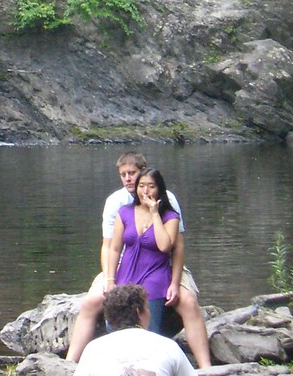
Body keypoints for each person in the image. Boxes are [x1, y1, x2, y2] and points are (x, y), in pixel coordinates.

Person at [66, 152, 211, 368]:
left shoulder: (168, 202)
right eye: (123, 174)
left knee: (188, 302)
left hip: (163, 263)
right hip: (124, 264)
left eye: (132, 173)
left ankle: (206, 367)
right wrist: (109, 279)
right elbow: (110, 246)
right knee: (91, 302)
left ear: (143, 172)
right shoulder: (117, 204)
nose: (128, 179)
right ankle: (69, 363)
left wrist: (174, 282)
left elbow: (177, 247)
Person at [106, 168, 180, 335]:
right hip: (127, 272)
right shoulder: (124, 212)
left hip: (154, 274)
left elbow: (164, 246)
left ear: (159, 189)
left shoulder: (170, 217)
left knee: (149, 327)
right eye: (141, 186)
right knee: (113, 323)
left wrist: (155, 214)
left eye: (151, 186)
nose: (145, 191)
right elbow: (115, 248)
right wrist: (110, 280)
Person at [75, 283, 196, 376]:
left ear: (109, 317)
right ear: (138, 312)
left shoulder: (93, 349)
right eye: (147, 308)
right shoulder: (168, 347)